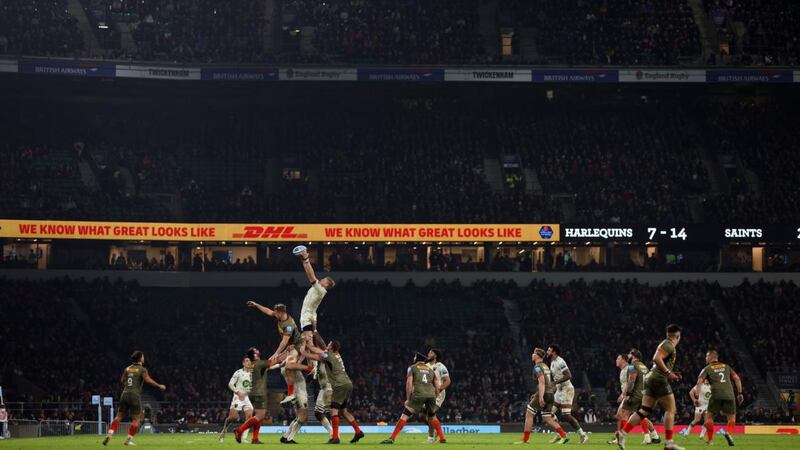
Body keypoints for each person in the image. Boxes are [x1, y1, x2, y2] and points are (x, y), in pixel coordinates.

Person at [616, 324, 685, 450]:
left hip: (650, 379)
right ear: (678, 336)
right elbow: (656, 358)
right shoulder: (668, 345)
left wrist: (671, 373)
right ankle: (669, 442)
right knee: (671, 409)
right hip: (657, 379)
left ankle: (622, 434)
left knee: (644, 411)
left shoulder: (664, 345)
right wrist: (668, 373)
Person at [302, 336, 364, 444]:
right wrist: (310, 343)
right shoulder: (337, 355)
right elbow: (318, 350)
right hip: (348, 384)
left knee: (333, 411)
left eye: (329, 344)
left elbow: (313, 353)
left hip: (339, 385)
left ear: (331, 347)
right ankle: (358, 431)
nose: (327, 345)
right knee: (344, 411)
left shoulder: (328, 355)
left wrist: (304, 348)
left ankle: (335, 438)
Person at [246, 301, 307, 405]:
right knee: (272, 362)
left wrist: (276, 353)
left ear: (281, 312)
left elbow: (284, 342)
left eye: (276, 312)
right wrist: (256, 305)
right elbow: (268, 312)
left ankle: (291, 394)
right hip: (291, 346)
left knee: (287, 367)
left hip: (297, 346)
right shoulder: (280, 315)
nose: (274, 313)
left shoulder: (288, 326)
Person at [102, 351, 166, 446]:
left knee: (118, 416)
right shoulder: (142, 369)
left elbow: (122, 380)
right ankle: (128, 440)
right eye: (143, 356)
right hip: (134, 395)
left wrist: (128, 386)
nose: (144, 358)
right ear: (140, 358)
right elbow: (148, 380)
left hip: (125, 394)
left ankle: (110, 433)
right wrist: (159, 385)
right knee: (137, 419)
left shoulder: (127, 368)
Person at [381, 353, 446, 444]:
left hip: (419, 394)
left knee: (405, 414)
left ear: (416, 359)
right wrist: (435, 396)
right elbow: (437, 385)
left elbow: (409, 383)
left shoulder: (412, 368)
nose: (413, 359)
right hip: (431, 395)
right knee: (432, 416)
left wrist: (408, 398)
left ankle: (392, 438)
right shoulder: (431, 370)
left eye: (414, 358)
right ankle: (442, 438)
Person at [516, 348, 569, 445]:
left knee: (529, 413)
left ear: (537, 356)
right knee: (547, 418)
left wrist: (540, 397)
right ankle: (564, 435)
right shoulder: (545, 366)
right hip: (550, 393)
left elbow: (542, 382)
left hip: (544, 393)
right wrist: (537, 394)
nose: (532, 355)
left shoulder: (537, 367)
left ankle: (525, 440)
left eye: (534, 353)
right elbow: (546, 382)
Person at [610, 350, 660, 445]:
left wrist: (626, 394)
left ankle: (621, 437)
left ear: (633, 356)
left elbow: (631, 381)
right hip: (645, 394)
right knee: (640, 415)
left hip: (635, 395)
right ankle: (653, 436)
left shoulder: (632, 365)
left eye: (629, 354)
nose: (627, 355)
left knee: (622, 414)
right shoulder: (643, 366)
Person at [696, 350, 743, 447]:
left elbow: (699, 382)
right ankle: (728, 433)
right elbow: (737, 379)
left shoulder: (707, 368)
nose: (705, 358)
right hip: (729, 395)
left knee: (709, 418)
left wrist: (697, 396)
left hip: (716, 394)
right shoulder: (726, 367)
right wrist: (740, 393)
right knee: (732, 418)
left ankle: (710, 441)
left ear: (710, 357)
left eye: (706, 356)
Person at [234, 347, 281, 445]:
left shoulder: (253, 365)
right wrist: (287, 351)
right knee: (260, 416)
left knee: (258, 416)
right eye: (255, 350)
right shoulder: (258, 363)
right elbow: (275, 360)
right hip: (259, 393)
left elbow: (271, 363)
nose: (257, 350)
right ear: (254, 355)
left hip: (254, 392)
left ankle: (255, 439)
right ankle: (239, 430)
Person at [547, 344, 588, 444]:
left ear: (554, 352)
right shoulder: (552, 362)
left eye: (549, 350)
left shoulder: (560, 361)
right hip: (559, 390)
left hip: (567, 389)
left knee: (566, 415)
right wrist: (554, 387)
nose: (547, 352)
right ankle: (559, 434)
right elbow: (556, 377)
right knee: (548, 413)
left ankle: (583, 434)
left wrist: (555, 383)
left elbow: (569, 375)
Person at [295, 249, 335, 340]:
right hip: (310, 316)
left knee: (308, 341)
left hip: (308, 317)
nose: (321, 280)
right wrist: (304, 263)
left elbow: (311, 276)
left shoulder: (320, 289)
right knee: (310, 339)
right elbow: (309, 273)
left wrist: (306, 259)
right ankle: (324, 352)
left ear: (326, 285)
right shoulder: (317, 289)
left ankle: (324, 353)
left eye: (324, 280)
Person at [279, 344, 314, 444]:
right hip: (298, 392)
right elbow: (291, 365)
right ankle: (289, 438)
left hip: (298, 391)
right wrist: (309, 368)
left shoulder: (288, 360)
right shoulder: (290, 360)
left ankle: (285, 436)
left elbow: (295, 363)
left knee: (299, 416)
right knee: (303, 415)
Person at [219, 356, 254, 443]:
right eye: (246, 361)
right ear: (243, 363)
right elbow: (230, 384)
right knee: (233, 417)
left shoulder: (252, 374)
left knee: (250, 417)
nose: (248, 362)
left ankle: (244, 438)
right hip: (238, 397)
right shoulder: (238, 372)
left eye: (249, 361)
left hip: (246, 397)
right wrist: (237, 392)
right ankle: (224, 430)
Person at [425, 348, 451, 444]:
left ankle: (435, 437)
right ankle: (436, 432)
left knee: (430, 413)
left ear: (435, 355)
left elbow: (448, 381)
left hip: (438, 394)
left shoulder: (440, 366)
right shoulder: (425, 366)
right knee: (423, 415)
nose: (428, 354)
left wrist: (439, 390)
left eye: (431, 352)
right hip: (427, 393)